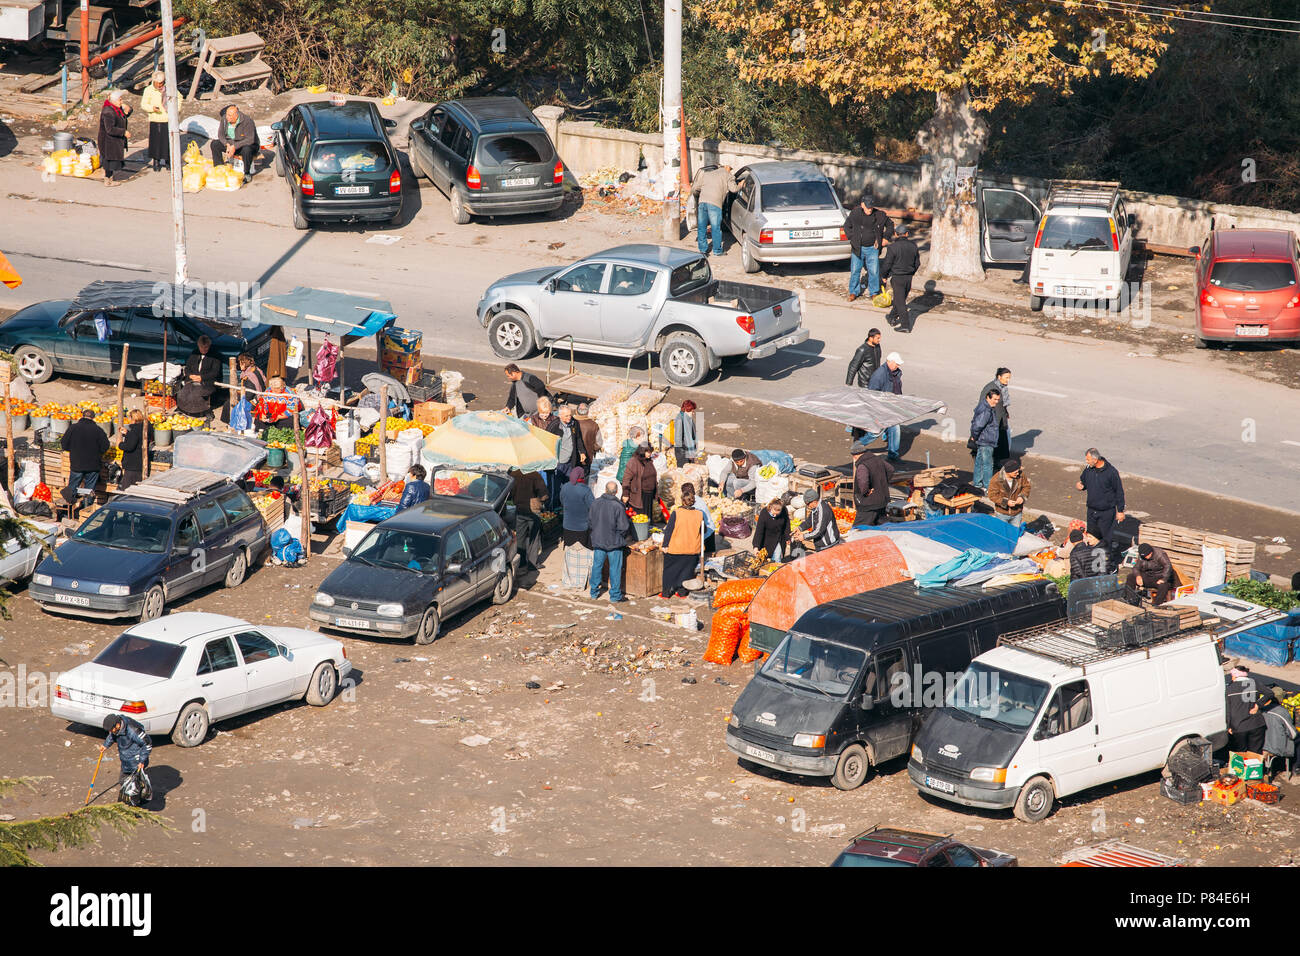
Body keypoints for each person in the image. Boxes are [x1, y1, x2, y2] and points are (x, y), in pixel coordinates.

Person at [1076, 448, 1126, 553]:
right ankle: (1092, 557)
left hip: (1106, 512)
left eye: (1088, 459)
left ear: (1095, 460)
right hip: (1091, 510)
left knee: (1105, 538)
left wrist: (1120, 510)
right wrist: (1081, 485)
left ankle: (1105, 558)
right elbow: (1084, 481)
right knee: (1091, 537)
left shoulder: (1111, 472)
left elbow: (1119, 491)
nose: (1086, 461)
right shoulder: (1089, 468)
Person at [844, 194, 892, 302]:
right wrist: (852, 238)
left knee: (874, 271)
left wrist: (886, 238)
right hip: (858, 248)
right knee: (855, 271)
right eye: (867, 207)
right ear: (862, 205)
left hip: (873, 248)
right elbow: (846, 226)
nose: (869, 209)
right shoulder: (855, 213)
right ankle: (853, 292)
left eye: (871, 207)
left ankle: (874, 292)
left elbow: (890, 225)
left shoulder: (880, 215)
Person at [661, 482, 705, 598]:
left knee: (669, 571)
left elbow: (669, 530)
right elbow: (703, 530)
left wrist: (665, 545)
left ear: (682, 501)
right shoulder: (699, 514)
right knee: (687, 572)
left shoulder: (676, 512)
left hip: (676, 548)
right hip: (692, 549)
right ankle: (682, 592)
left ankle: (666, 593)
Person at [589, 481, 630, 602]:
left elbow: (590, 522)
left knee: (597, 566)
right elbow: (624, 527)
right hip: (614, 543)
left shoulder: (595, 503)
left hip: (599, 540)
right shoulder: (618, 506)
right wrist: (619, 536)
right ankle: (615, 596)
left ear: (605, 490)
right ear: (616, 492)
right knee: (615, 569)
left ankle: (593, 592)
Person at [101, 713, 152, 805]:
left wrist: (142, 761)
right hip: (126, 760)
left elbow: (147, 744)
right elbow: (112, 736)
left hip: (136, 762)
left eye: (111, 729)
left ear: (117, 725)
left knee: (133, 786)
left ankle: (136, 804)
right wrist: (106, 745)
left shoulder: (133, 730)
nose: (111, 732)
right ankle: (134, 800)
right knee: (124, 782)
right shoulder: (116, 730)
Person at [63, 408, 110, 506]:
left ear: (82, 416)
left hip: (77, 464)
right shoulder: (98, 430)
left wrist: (73, 451)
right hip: (93, 465)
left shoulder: (73, 428)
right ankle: (86, 509)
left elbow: (64, 444)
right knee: (89, 490)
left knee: (72, 488)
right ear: (93, 417)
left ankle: (69, 508)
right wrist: (97, 453)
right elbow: (105, 446)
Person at [862, 353, 904, 460]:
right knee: (875, 433)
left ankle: (893, 455)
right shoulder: (879, 375)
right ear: (890, 362)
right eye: (897, 363)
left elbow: (897, 389)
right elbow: (872, 394)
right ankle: (858, 445)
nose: (898, 366)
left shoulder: (895, 373)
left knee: (895, 428)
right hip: (881, 409)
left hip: (891, 408)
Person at [879, 224, 921, 332]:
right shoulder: (913, 246)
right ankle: (891, 317)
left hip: (897, 277)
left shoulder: (893, 247)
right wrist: (911, 272)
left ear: (895, 234)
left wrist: (884, 276)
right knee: (900, 299)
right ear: (907, 234)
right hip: (908, 277)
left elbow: (887, 264)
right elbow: (917, 263)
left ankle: (905, 325)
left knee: (900, 302)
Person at [691, 164, 738, 257]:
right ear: (728, 168)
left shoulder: (707, 174)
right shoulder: (728, 175)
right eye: (730, 169)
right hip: (715, 204)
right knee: (715, 228)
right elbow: (734, 189)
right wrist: (741, 185)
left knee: (702, 227)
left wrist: (698, 197)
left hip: (702, 202)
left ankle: (703, 250)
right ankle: (717, 251)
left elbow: (695, 189)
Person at [851, 440, 894, 527]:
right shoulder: (877, 459)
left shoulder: (862, 465)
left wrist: (866, 492)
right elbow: (890, 469)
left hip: (869, 503)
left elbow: (863, 482)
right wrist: (882, 483)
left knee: (859, 528)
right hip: (882, 500)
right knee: (883, 525)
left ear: (855, 455)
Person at [211, 105, 258, 183]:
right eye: (227, 115)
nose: (227, 117)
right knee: (214, 144)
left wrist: (235, 146)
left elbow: (250, 139)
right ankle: (219, 168)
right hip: (230, 144)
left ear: (236, 116)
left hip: (244, 145)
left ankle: (247, 173)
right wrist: (227, 144)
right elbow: (221, 135)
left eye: (229, 115)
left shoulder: (247, 121)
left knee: (247, 150)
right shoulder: (224, 119)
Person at [177, 334, 221, 416]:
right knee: (182, 393)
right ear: (198, 346)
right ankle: (184, 410)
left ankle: (201, 412)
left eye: (206, 347)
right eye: (201, 347)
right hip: (192, 381)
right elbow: (187, 368)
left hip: (206, 382)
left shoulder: (215, 356)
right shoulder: (194, 353)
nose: (203, 350)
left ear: (209, 346)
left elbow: (215, 372)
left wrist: (201, 377)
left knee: (195, 395)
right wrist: (190, 375)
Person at [1226, 665, 1266, 755]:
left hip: (1239, 726)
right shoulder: (1254, 683)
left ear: (1235, 676)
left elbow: (1228, 710)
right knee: (1255, 753)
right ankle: (1254, 764)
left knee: (1240, 754)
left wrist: (1229, 726)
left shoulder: (1229, 689)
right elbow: (1269, 693)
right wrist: (1258, 705)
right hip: (1256, 724)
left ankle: (1242, 764)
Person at [1260, 689, 1297, 783]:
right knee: (1298, 740)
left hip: (1262, 744)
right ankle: (1295, 769)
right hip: (1277, 747)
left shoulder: (1262, 709)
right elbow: (1292, 734)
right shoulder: (1282, 712)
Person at [969, 388, 1002, 492]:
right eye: (995, 399)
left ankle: (977, 484)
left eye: (998, 399)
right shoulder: (986, 410)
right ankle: (988, 486)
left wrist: (975, 436)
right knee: (988, 464)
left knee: (979, 462)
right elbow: (978, 425)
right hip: (986, 440)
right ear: (988, 397)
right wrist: (974, 436)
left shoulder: (984, 406)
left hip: (982, 439)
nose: (996, 402)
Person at [97, 89, 132, 187]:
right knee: (109, 160)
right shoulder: (108, 112)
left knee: (111, 160)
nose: (121, 102)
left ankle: (109, 179)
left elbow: (123, 115)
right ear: (114, 101)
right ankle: (108, 180)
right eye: (120, 100)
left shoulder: (115, 108)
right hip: (108, 141)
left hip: (113, 141)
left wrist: (128, 109)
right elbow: (110, 129)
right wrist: (123, 132)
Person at [986, 458, 1031, 527]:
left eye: (1018, 471)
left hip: (1017, 512)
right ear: (1008, 472)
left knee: (1014, 531)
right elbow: (992, 495)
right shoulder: (996, 479)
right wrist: (1006, 502)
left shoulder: (1021, 475)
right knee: (1002, 532)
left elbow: (1026, 487)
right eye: (1015, 472)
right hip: (1002, 514)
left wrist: (1022, 497)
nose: (1018, 474)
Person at [981, 367, 1013, 464]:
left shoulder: (1003, 388)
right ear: (999, 377)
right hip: (993, 421)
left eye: (1009, 378)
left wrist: (1005, 413)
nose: (1008, 380)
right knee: (992, 444)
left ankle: (996, 462)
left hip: (1000, 419)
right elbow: (983, 405)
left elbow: (1002, 404)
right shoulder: (990, 388)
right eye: (1006, 377)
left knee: (1000, 442)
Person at [796, 485, 842, 552]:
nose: (807, 506)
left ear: (814, 501)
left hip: (829, 546)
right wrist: (800, 528)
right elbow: (809, 521)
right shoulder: (815, 508)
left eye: (808, 504)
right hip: (821, 546)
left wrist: (804, 536)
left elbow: (818, 531)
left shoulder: (823, 510)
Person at [116, 409, 153, 490]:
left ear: (133, 419)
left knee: (127, 488)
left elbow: (130, 446)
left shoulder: (135, 430)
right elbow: (138, 439)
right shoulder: (146, 427)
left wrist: (120, 444)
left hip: (133, 464)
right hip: (142, 462)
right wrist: (127, 433)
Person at [140, 71, 169, 172]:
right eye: (158, 83)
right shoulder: (148, 90)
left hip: (167, 118)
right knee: (155, 141)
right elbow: (144, 104)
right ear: (154, 82)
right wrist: (152, 108)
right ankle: (156, 161)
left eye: (161, 83)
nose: (160, 85)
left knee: (167, 141)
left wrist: (176, 110)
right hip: (155, 118)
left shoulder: (168, 88)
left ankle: (168, 160)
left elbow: (178, 98)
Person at [622, 442, 658, 521]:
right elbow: (626, 479)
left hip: (649, 495)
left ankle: (647, 527)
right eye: (647, 452)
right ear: (642, 451)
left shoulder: (648, 461)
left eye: (650, 452)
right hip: (639, 495)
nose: (649, 454)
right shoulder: (633, 461)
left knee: (647, 518)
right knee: (639, 518)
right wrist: (625, 494)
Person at [559, 466, 594, 548]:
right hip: (582, 527)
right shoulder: (586, 490)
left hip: (567, 525)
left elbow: (562, 501)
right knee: (581, 550)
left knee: (569, 548)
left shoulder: (564, 487)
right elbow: (592, 506)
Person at [555, 404, 588, 486]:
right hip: (559, 462)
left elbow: (578, 438)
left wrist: (582, 452)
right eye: (566, 416)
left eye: (570, 415)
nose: (569, 417)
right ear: (560, 415)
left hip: (570, 461)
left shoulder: (574, 423)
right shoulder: (555, 426)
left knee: (569, 483)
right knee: (557, 485)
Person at [752, 497, 792, 562]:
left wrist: (788, 537)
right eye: (774, 513)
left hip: (778, 538)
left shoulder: (784, 511)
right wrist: (756, 546)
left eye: (778, 513)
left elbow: (787, 524)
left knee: (777, 558)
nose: (775, 515)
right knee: (765, 559)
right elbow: (759, 531)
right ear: (770, 507)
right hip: (766, 539)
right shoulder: (764, 513)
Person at [673, 399, 698, 466]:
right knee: (684, 469)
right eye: (692, 411)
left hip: (688, 450)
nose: (693, 413)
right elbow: (678, 439)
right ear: (687, 409)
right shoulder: (680, 419)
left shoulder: (689, 419)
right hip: (682, 452)